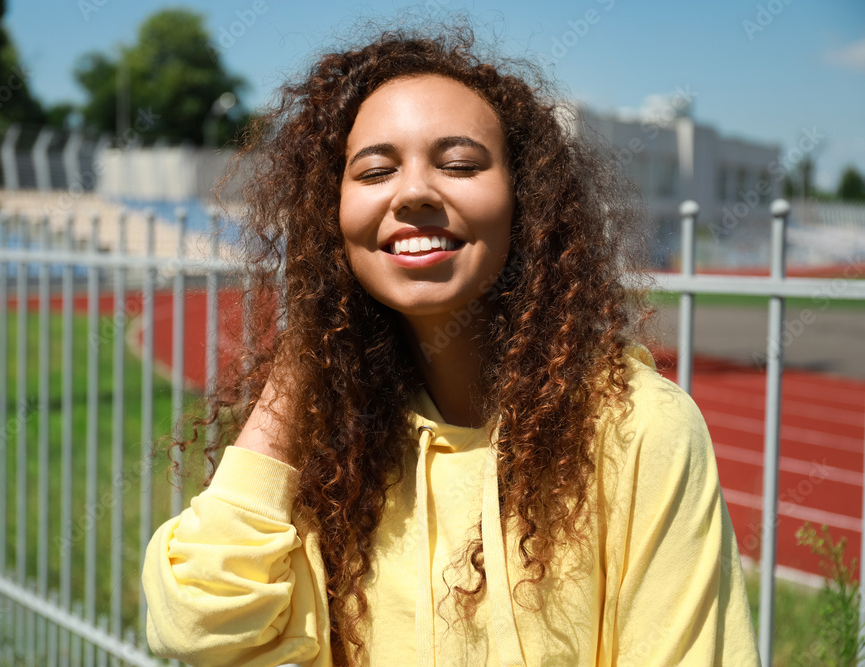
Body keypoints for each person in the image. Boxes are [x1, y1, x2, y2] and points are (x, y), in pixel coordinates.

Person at [141, 22, 760, 667]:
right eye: (375, 171)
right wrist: (312, 333)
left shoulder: (640, 430)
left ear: (527, 202)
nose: (412, 192)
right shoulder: (331, 442)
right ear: (333, 215)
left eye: (460, 164)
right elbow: (196, 623)